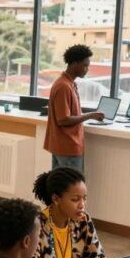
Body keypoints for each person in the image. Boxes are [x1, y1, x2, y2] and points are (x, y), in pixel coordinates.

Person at [44, 44, 106, 173]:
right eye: (85, 65)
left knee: (61, 188)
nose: (87, 69)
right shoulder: (63, 86)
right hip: (67, 148)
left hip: (63, 147)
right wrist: (90, 115)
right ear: (74, 64)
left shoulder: (69, 84)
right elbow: (63, 120)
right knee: (71, 189)